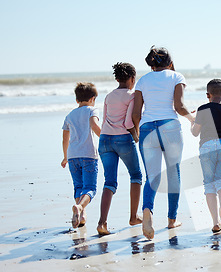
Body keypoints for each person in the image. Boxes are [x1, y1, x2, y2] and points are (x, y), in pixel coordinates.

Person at [132, 46, 195, 240]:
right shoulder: (176, 77)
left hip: (147, 128)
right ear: (170, 62)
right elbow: (179, 106)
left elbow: (136, 113)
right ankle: (171, 220)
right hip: (170, 127)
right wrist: (193, 120)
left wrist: (136, 131)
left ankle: (148, 212)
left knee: (153, 176)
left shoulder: (142, 81)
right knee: (174, 173)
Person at [96, 62, 143, 236]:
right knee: (136, 176)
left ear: (117, 78)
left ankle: (102, 223)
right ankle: (133, 216)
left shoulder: (108, 96)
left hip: (104, 139)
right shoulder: (132, 95)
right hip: (123, 139)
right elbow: (129, 122)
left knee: (109, 182)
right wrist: (136, 136)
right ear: (132, 78)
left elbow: (105, 120)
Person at [191, 79, 221, 234]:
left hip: (207, 146)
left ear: (207, 95)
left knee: (209, 184)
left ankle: (216, 223)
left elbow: (195, 132)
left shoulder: (202, 109)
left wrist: (192, 121)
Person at [61, 82, 101, 228]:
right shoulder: (92, 110)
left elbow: (65, 138)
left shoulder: (69, 115)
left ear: (77, 100)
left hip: (72, 156)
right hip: (89, 154)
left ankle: (81, 216)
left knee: (78, 186)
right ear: (92, 99)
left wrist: (65, 156)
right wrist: (106, 137)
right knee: (90, 188)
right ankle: (80, 208)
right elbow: (95, 126)